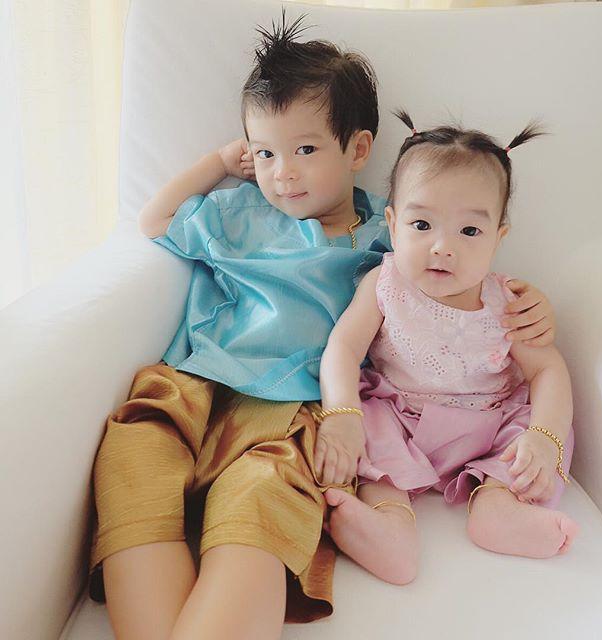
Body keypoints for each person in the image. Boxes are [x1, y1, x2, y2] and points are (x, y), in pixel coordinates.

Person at [87, 15, 557, 640]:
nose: (282, 172)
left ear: (358, 150)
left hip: (299, 408)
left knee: (264, 493)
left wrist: (531, 300)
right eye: (265, 153)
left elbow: (457, 272)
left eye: (305, 150)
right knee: (134, 454)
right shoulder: (237, 210)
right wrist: (218, 163)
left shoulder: (391, 233)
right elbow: (153, 221)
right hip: (195, 380)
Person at [316, 111, 578, 586]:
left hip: (488, 422)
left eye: (469, 231)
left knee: (530, 435)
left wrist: (545, 435)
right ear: (392, 224)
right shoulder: (384, 284)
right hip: (403, 418)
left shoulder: (509, 302)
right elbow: (343, 347)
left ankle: (497, 506)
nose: (442, 247)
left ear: (498, 238)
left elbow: (548, 370)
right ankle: (390, 524)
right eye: (422, 224)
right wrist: (342, 414)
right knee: (372, 427)